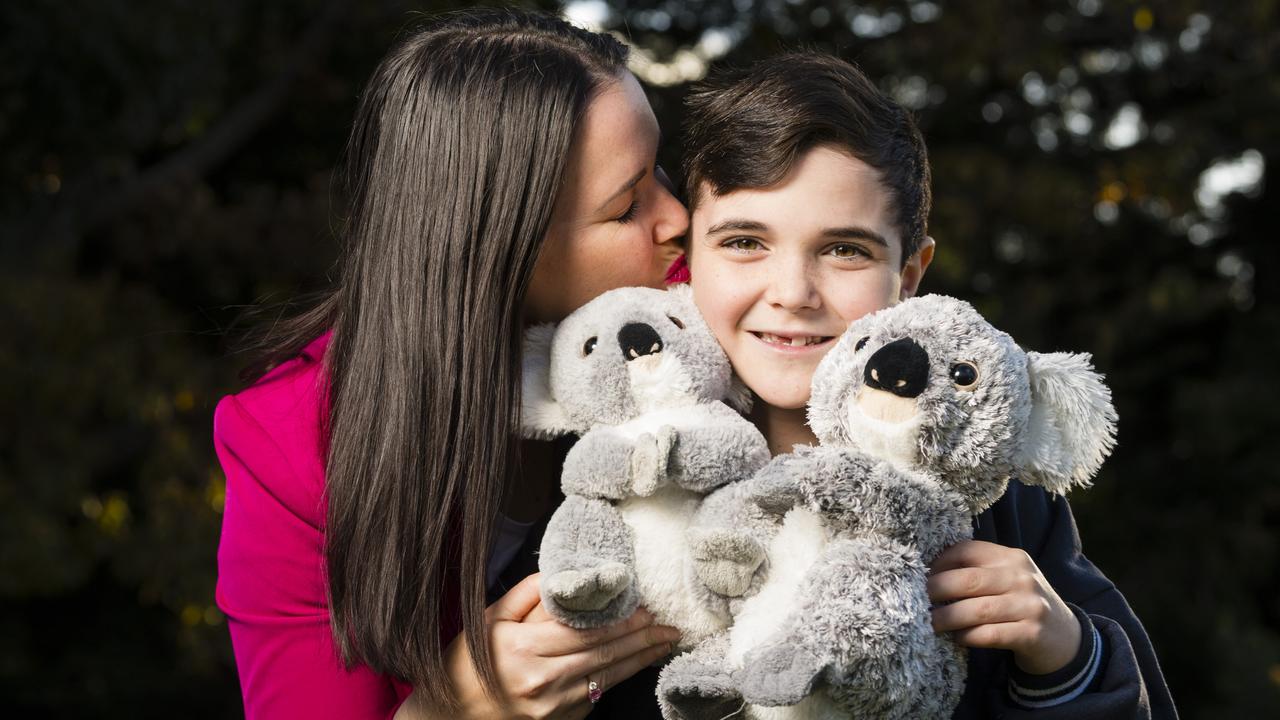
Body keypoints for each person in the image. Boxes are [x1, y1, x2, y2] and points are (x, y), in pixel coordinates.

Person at [213, 9, 689, 719]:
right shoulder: (293, 450)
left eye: (661, 171)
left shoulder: (690, 320)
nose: (679, 218)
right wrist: (448, 711)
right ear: (502, 249)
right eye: (628, 206)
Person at [679, 53, 1178, 718]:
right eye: (745, 241)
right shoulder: (639, 461)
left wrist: (1065, 653)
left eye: (845, 250)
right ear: (688, 254)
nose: (792, 294)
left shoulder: (999, 495)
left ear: (910, 275)